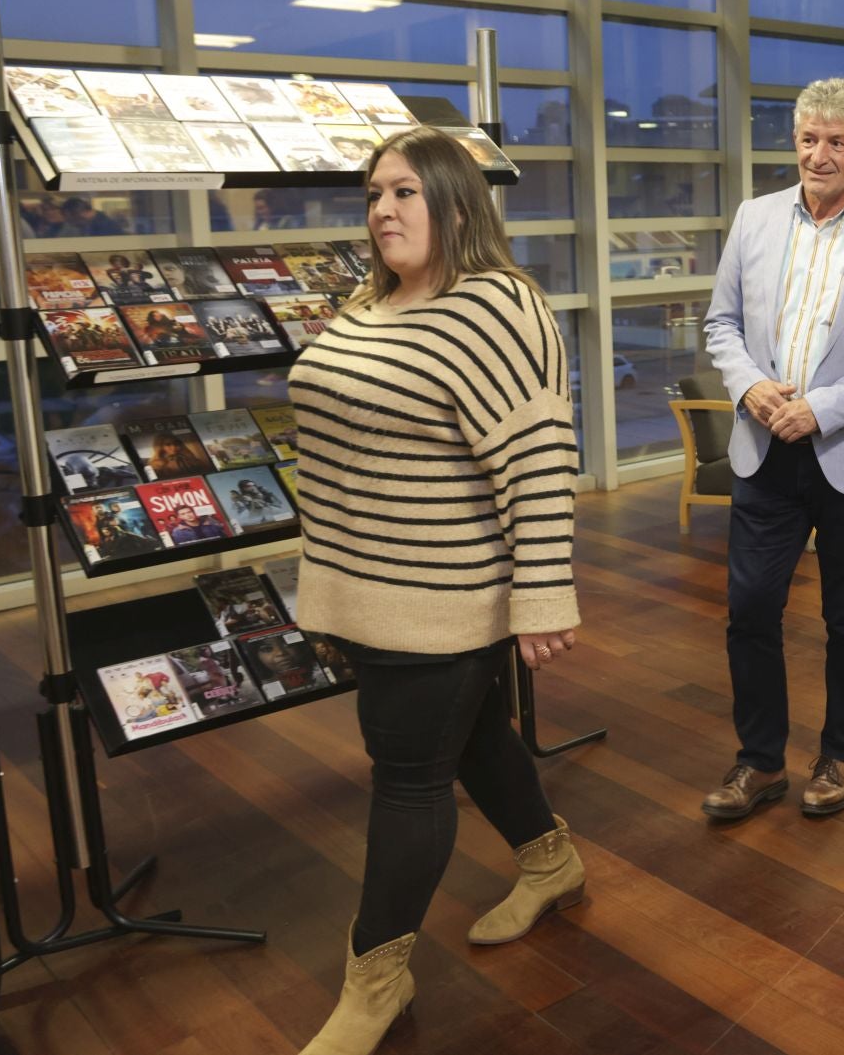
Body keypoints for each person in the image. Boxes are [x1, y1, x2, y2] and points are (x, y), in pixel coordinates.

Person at [289, 125, 583, 1055]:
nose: (382, 208)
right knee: (469, 742)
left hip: (443, 599)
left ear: (458, 203)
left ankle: (375, 979)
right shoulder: (370, 304)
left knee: (408, 780)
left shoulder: (493, 305)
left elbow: (538, 461)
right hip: (367, 591)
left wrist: (541, 598)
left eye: (405, 191)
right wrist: (330, 586)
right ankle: (552, 860)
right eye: (374, 192)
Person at [700, 77, 844, 820]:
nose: (819, 154)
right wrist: (751, 388)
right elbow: (721, 325)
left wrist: (820, 409)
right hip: (763, 448)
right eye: (808, 138)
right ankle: (759, 760)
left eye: (837, 141)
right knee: (750, 609)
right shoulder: (755, 218)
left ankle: (838, 755)